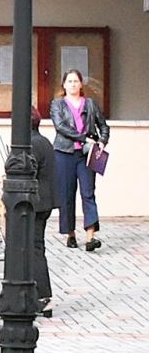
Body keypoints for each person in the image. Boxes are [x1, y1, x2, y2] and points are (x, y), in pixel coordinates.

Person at [50, 68, 109, 252]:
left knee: (88, 192)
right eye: (69, 81)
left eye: (76, 81)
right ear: (64, 85)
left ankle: (91, 236)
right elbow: (60, 127)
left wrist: (101, 142)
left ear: (81, 84)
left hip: (86, 155)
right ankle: (70, 234)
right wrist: (83, 139)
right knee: (67, 194)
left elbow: (103, 126)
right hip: (64, 154)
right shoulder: (57, 105)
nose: (73, 84)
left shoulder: (90, 104)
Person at [28, 107, 57, 314]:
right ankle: (38, 295)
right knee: (37, 247)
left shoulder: (30, 144)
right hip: (45, 202)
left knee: (34, 249)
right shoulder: (44, 141)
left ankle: (43, 297)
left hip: (34, 204)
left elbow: (27, 171)